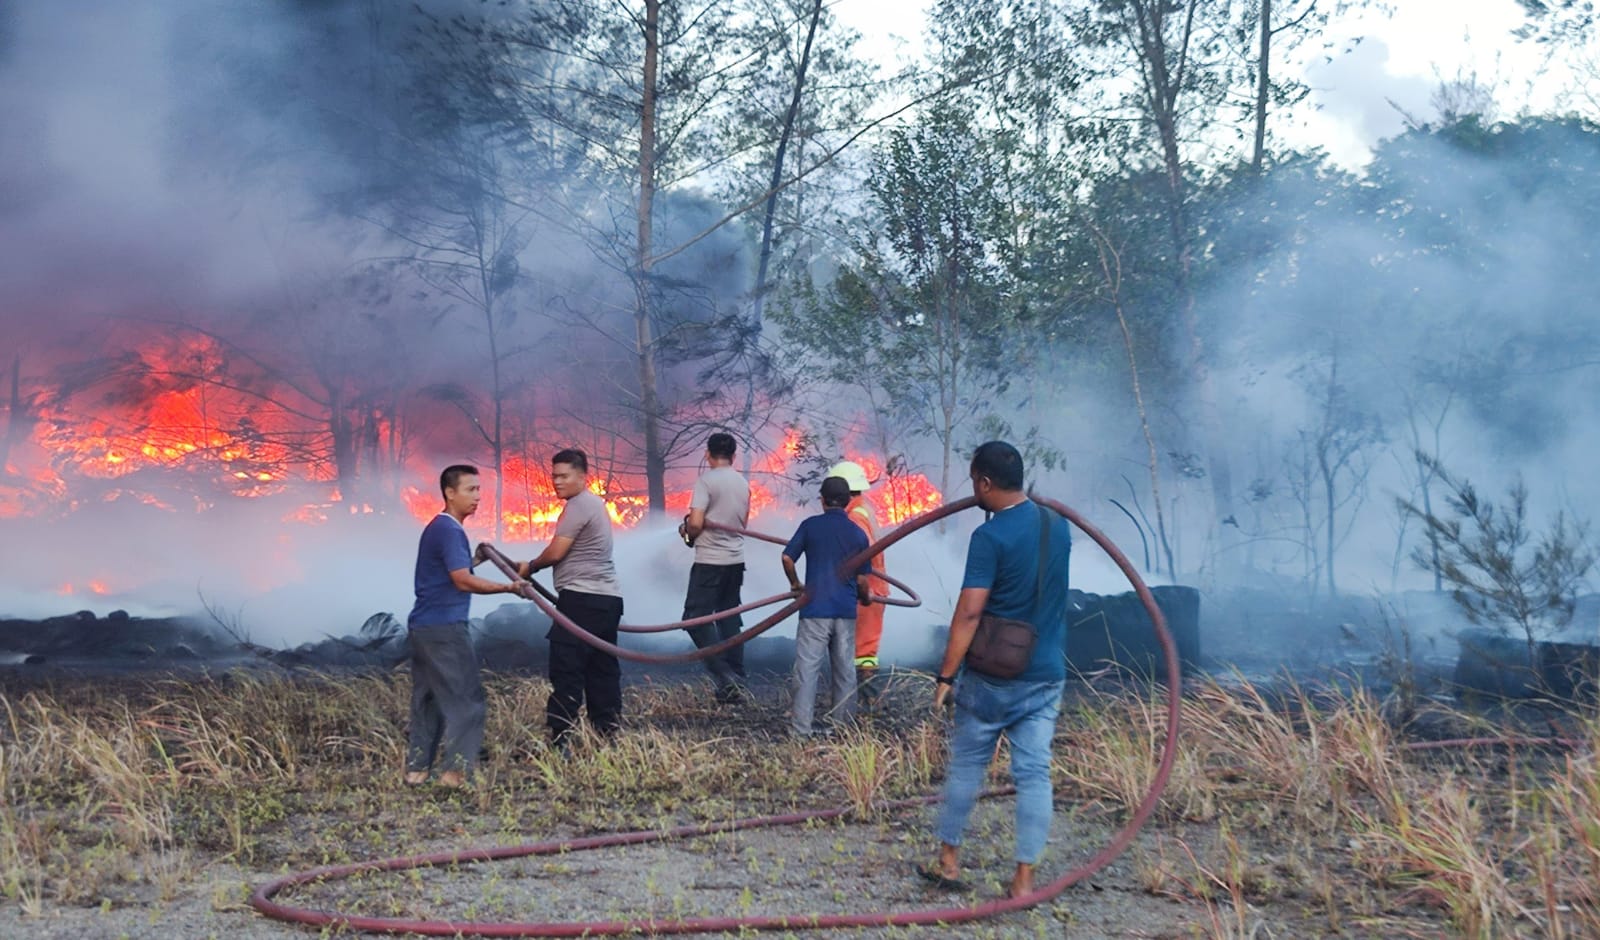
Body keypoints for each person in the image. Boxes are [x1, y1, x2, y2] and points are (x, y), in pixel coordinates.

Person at [919, 441, 1072, 899]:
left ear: (984, 482)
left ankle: (948, 860)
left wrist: (945, 677)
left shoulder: (989, 537)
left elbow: (968, 614)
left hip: (993, 677)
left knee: (967, 767)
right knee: (1033, 775)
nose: (974, 490)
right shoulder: (1057, 525)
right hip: (1046, 673)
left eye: (974, 482)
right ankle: (1023, 879)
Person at [405, 464, 521, 788]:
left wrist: (477, 560)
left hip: (424, 627)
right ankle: (455, 774)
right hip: (445, 629)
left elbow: (454, 569)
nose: (477, 497)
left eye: (479, 490)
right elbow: (461, 580)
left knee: (428, 702)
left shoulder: (439, 529)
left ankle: (417, 771)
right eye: (470, 490)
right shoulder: (450, 530)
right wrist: (508, 588)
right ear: (449, 493)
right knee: (467, 701)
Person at [513, 449, 624, 749]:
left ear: (583, 477)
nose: (557, 482)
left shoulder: (579, 505)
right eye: (554, 477)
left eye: (564, 476)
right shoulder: (594, 504)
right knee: (601, 667)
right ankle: (607, 733)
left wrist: (531, 566)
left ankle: (561, 739)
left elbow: (557, 552)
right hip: (607, 600)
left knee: (567, 667)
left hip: (582, 599)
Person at [781, 476, 872, 738]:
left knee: (806, 672)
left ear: (822, 500)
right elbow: (863, 580)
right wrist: (865, 597)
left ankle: (800, 732)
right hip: (845, 612)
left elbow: (787, 557)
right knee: (845, 673)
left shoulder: (810, 526)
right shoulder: (857, 533)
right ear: (847, 502)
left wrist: (796, 584)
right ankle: (842, 731)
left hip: (814, 612)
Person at [678, 432, 751, 704]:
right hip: (735, 560)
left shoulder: (706, 481)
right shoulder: (742, 483)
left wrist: (687, 530)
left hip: (710, 560)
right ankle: (737, 677)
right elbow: (743, 521)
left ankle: (724, 676)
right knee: (729, 617)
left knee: (694, 618)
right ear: (733, 456)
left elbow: (695, 523)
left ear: (708, 454)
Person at [827, 460, 889, 705]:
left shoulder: (854, 516)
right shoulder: (863, 508)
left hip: (866, 590)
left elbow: (854, 558)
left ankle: (866, 704)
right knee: (863, 648)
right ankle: (862, 703)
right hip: (872, 588)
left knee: (862, 651)